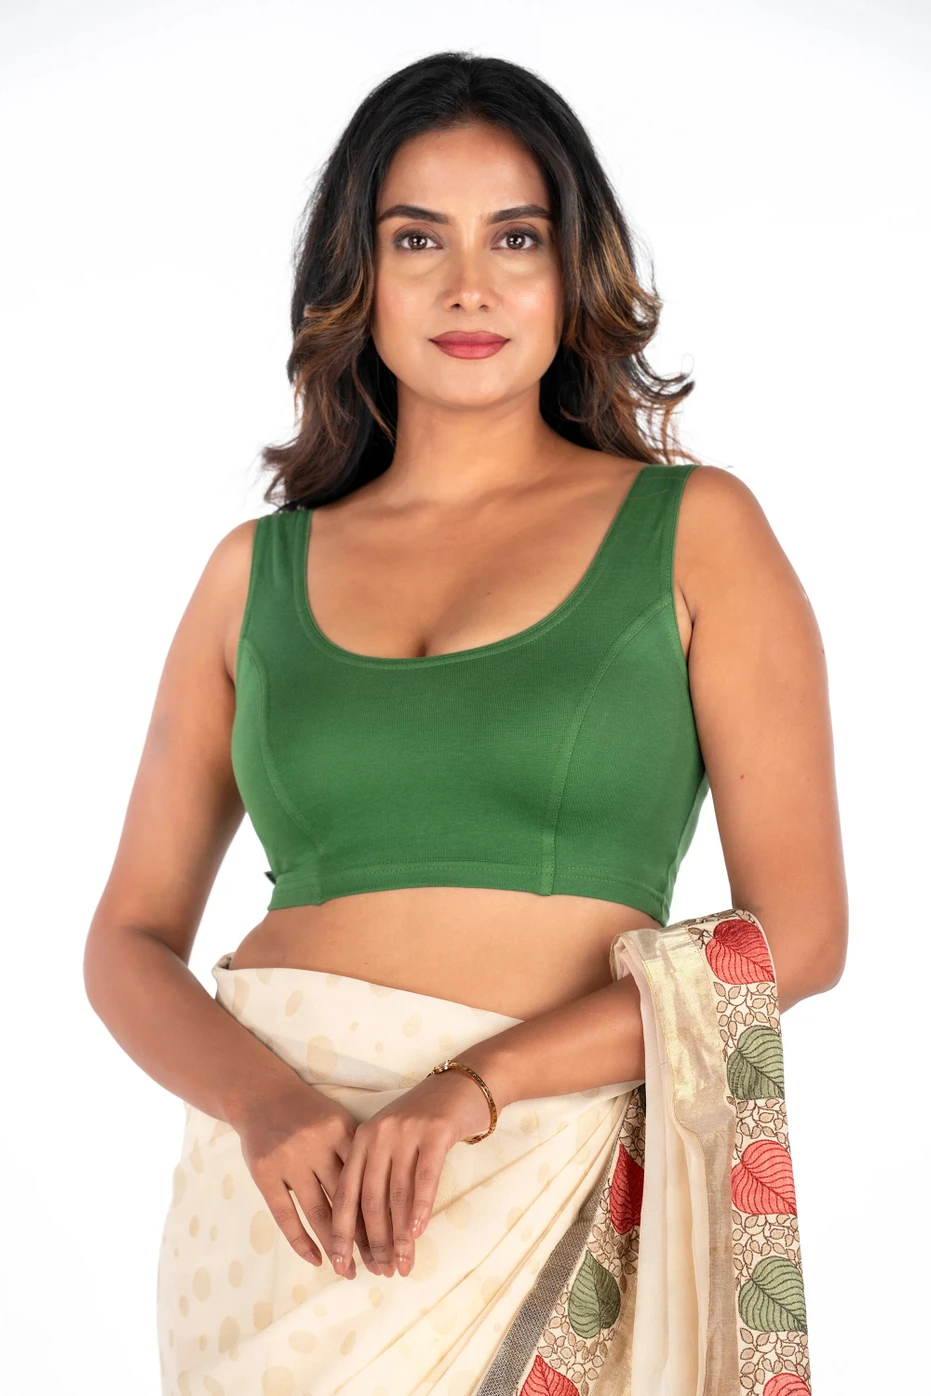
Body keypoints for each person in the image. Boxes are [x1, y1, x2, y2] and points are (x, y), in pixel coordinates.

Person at [83, 51, 847, 1396]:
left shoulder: (693, 532)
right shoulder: (251, 573)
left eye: (517, 237)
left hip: (537, 1168)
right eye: (417, 239)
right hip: (279, 1217)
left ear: (574, 269)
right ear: (356, 277)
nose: (469, 286)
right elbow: (127, 942)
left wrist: (478, 1085)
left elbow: (801, 935)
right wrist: (264, 1104)